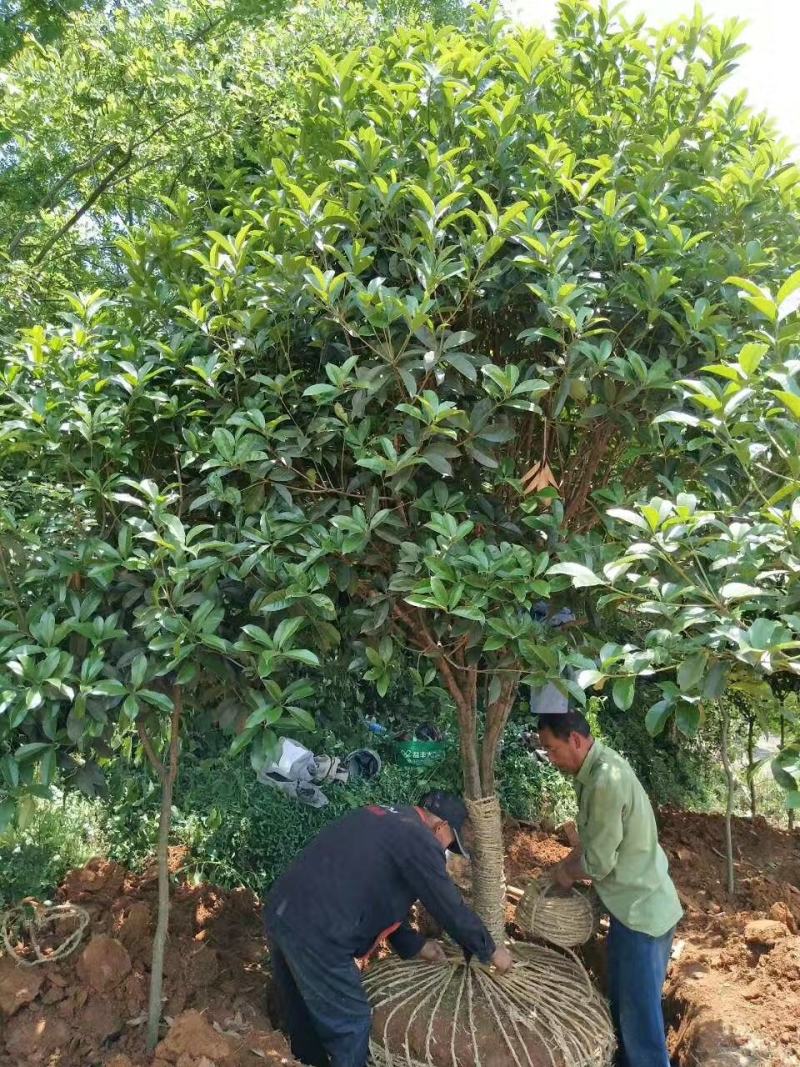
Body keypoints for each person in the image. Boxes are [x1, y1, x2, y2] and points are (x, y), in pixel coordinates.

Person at [264, 790, 513, 1067]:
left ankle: (308, 1062)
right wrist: (489, 950)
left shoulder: (385, 817)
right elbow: (447, 905)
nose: (444, 850)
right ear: (440, 826)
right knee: (351, 1021)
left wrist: (416, 945)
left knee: (301, 1011)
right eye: (448, 843)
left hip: (283, 910)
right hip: (319, 930)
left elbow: (376, 894)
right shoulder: (418, 838)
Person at [536, 709, 682, 1067]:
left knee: (641, 1025)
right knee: (626, 1005)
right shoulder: (597, 769)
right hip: (636, 909)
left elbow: (599, 863)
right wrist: (566, 863)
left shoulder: (605, 781)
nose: (550, 758)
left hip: (640, 916)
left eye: (551, 749)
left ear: (575, 739)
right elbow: (595, 839)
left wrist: (567, 875)